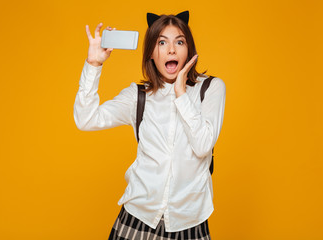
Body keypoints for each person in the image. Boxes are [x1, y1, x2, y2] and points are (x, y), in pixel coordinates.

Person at [74, 10, 226, 240]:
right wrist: (93, 65)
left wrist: (181, 94)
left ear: (189, 50)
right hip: (137, 219)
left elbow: (203, 145)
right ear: (151, 54)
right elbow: (86, 119)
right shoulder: (139, 96)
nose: (171, 50)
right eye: (161, 42)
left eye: (179, 42)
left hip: (189, 223)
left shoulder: (211, 88)